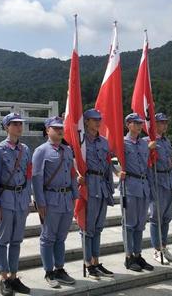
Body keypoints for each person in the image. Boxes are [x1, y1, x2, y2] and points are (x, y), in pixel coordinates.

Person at [32, 116, 78, 288]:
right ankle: (49, 271)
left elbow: (72, 174)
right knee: (48, 237)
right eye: (55, 128)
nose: (59, 130)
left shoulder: (67, 150)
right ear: (47, 130)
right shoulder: (41, 151)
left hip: (66, 198)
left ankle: (60, 269)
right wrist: (40, 202)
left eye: (61, 128)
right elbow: (36, 179)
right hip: (50, 199)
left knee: (61, 237)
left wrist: (75, 195)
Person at [0, 113, 32, 295]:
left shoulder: (25, 149)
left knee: (17, 239)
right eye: (14, 124)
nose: (18, 127)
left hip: (21, 198)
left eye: (20, 124)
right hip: (6, 198)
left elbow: (28, 175)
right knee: (3, 240)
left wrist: (28, 196)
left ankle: (14, 277)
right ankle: (4, 278)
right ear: (6, 127)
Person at [77, 109, 115, 280]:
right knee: (87, 227)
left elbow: (107, 165)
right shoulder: (81, 141)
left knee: (98, 227)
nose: (98, 122)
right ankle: (87, 264)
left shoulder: (104, 142)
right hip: (89, 186)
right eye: (94, 120)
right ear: (86, 122)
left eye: (99, 119)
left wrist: (110, 187)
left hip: (102, 186)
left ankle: (96, 261)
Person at [121, 112, 155, 272]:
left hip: (143, 186)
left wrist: (151, 188)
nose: (139, 126)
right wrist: (116, 172)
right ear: (128, 125)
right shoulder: (122, 143)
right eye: (136, 123)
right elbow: (107, 161)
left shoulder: (143, 144)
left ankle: (138, 254)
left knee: (140, 225)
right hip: (130, 186)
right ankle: (128, 257)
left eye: (141, 123)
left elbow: (147, 166)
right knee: (129, 224)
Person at [147, 112, 172, 264]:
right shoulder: (147, 141)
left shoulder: (166, 141)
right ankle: (157, 249)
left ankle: (164, 246)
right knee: (156, 218)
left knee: (166, 218)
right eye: (161, 122)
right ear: (154, 124)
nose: (165, 125)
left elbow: (171, 165)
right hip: (156, 181)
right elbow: (145, 165)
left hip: (167, 181)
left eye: (166, 122)